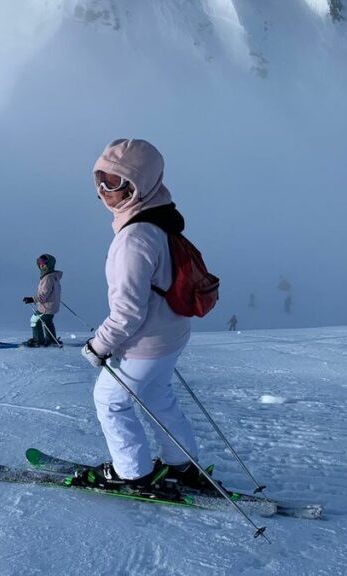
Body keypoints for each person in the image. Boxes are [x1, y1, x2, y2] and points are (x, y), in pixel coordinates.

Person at [79, 138, 210, 491]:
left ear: (140, 183)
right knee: (157, 395)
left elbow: (127, 312)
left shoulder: (133, 238)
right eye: (100, 179)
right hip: (171, 334)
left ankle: (132, 472)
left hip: (146, 343)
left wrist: (98, 346)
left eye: (116, 181)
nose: (105, 190)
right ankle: (182, 463)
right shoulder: (160, 218)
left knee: (110, 400)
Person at [22, 254, 62, 347]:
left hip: (46, 307)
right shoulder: (53, 276)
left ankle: (38, 341)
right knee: (47, 322)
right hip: (52, 306)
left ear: (49, 264)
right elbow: (53, 291)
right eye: (40, 262)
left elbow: (43, 295)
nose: (41, 265)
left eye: (44, 263)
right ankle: (51, 340)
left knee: (34, 320)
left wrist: (32, 299)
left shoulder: (47, 278)